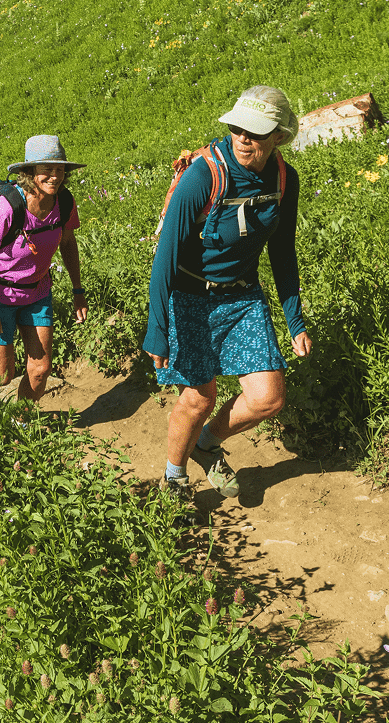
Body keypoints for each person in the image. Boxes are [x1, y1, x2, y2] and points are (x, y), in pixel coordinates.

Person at [144, 86, 313, 503]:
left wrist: (294, 318)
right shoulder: (204, 175)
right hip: (188, 295)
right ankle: (174, 478)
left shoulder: (284, 179)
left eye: (255, 132)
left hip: (241, 296)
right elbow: (165, 257)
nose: (243, 138)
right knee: (199, 397)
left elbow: (282, 250)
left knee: (268, 399)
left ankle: (206, 444)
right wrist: (157, 329)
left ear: (278, 135)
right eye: (237, 128)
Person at [0, 135, 89, 401]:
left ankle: (21, 423)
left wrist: (78, 290)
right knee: (0, 375)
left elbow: (68, 243)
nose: (54, 176)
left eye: (59, 169)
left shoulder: (64, 203)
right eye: (46, 170)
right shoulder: (7, 208)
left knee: (41, 369)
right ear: (30, 173)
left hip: (37, 292)